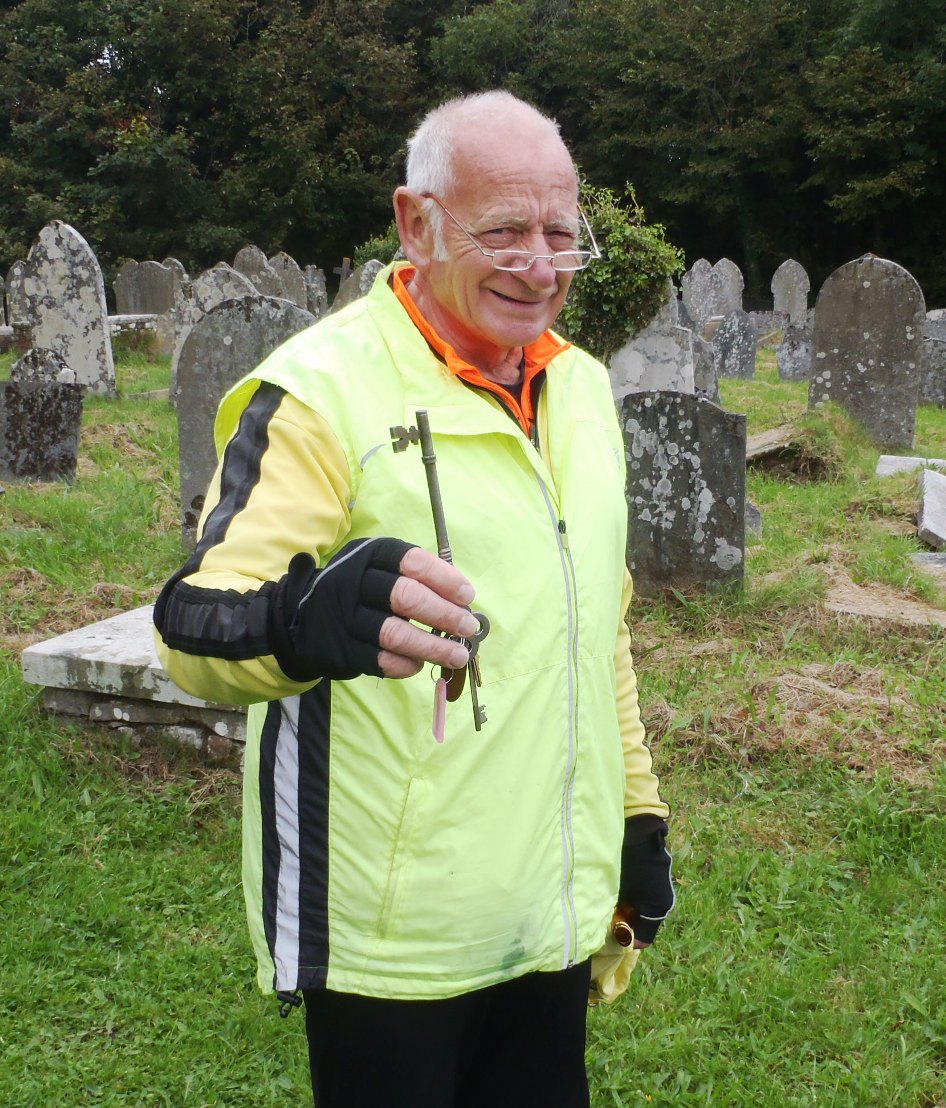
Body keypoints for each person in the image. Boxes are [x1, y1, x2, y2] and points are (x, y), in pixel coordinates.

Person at [154, 89, 673, 1107]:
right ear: (414, 221)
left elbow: (593, 630)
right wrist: (300, 622)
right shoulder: (317, 390)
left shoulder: (579, 389)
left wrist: (636, 812)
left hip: (548, 910)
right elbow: (193, 621)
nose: (538, 265)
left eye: (561, 234)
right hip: (392, 939)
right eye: (504, 231)